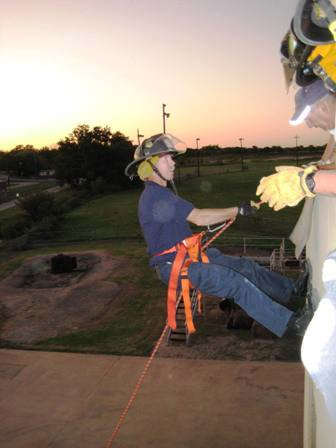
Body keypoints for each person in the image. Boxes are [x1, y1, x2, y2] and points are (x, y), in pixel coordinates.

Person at [125, 133, 308, 338]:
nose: (173, 163)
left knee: (245, 267)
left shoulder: (160, 194)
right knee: (234, 281)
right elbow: (199, 218)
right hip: (174, 266)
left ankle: (292, 290)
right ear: (150, 166)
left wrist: (235, 211)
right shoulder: (155, 195)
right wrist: (237, 211)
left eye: (172, 157)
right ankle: (292, 325)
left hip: (189, 257)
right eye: (167, 158)